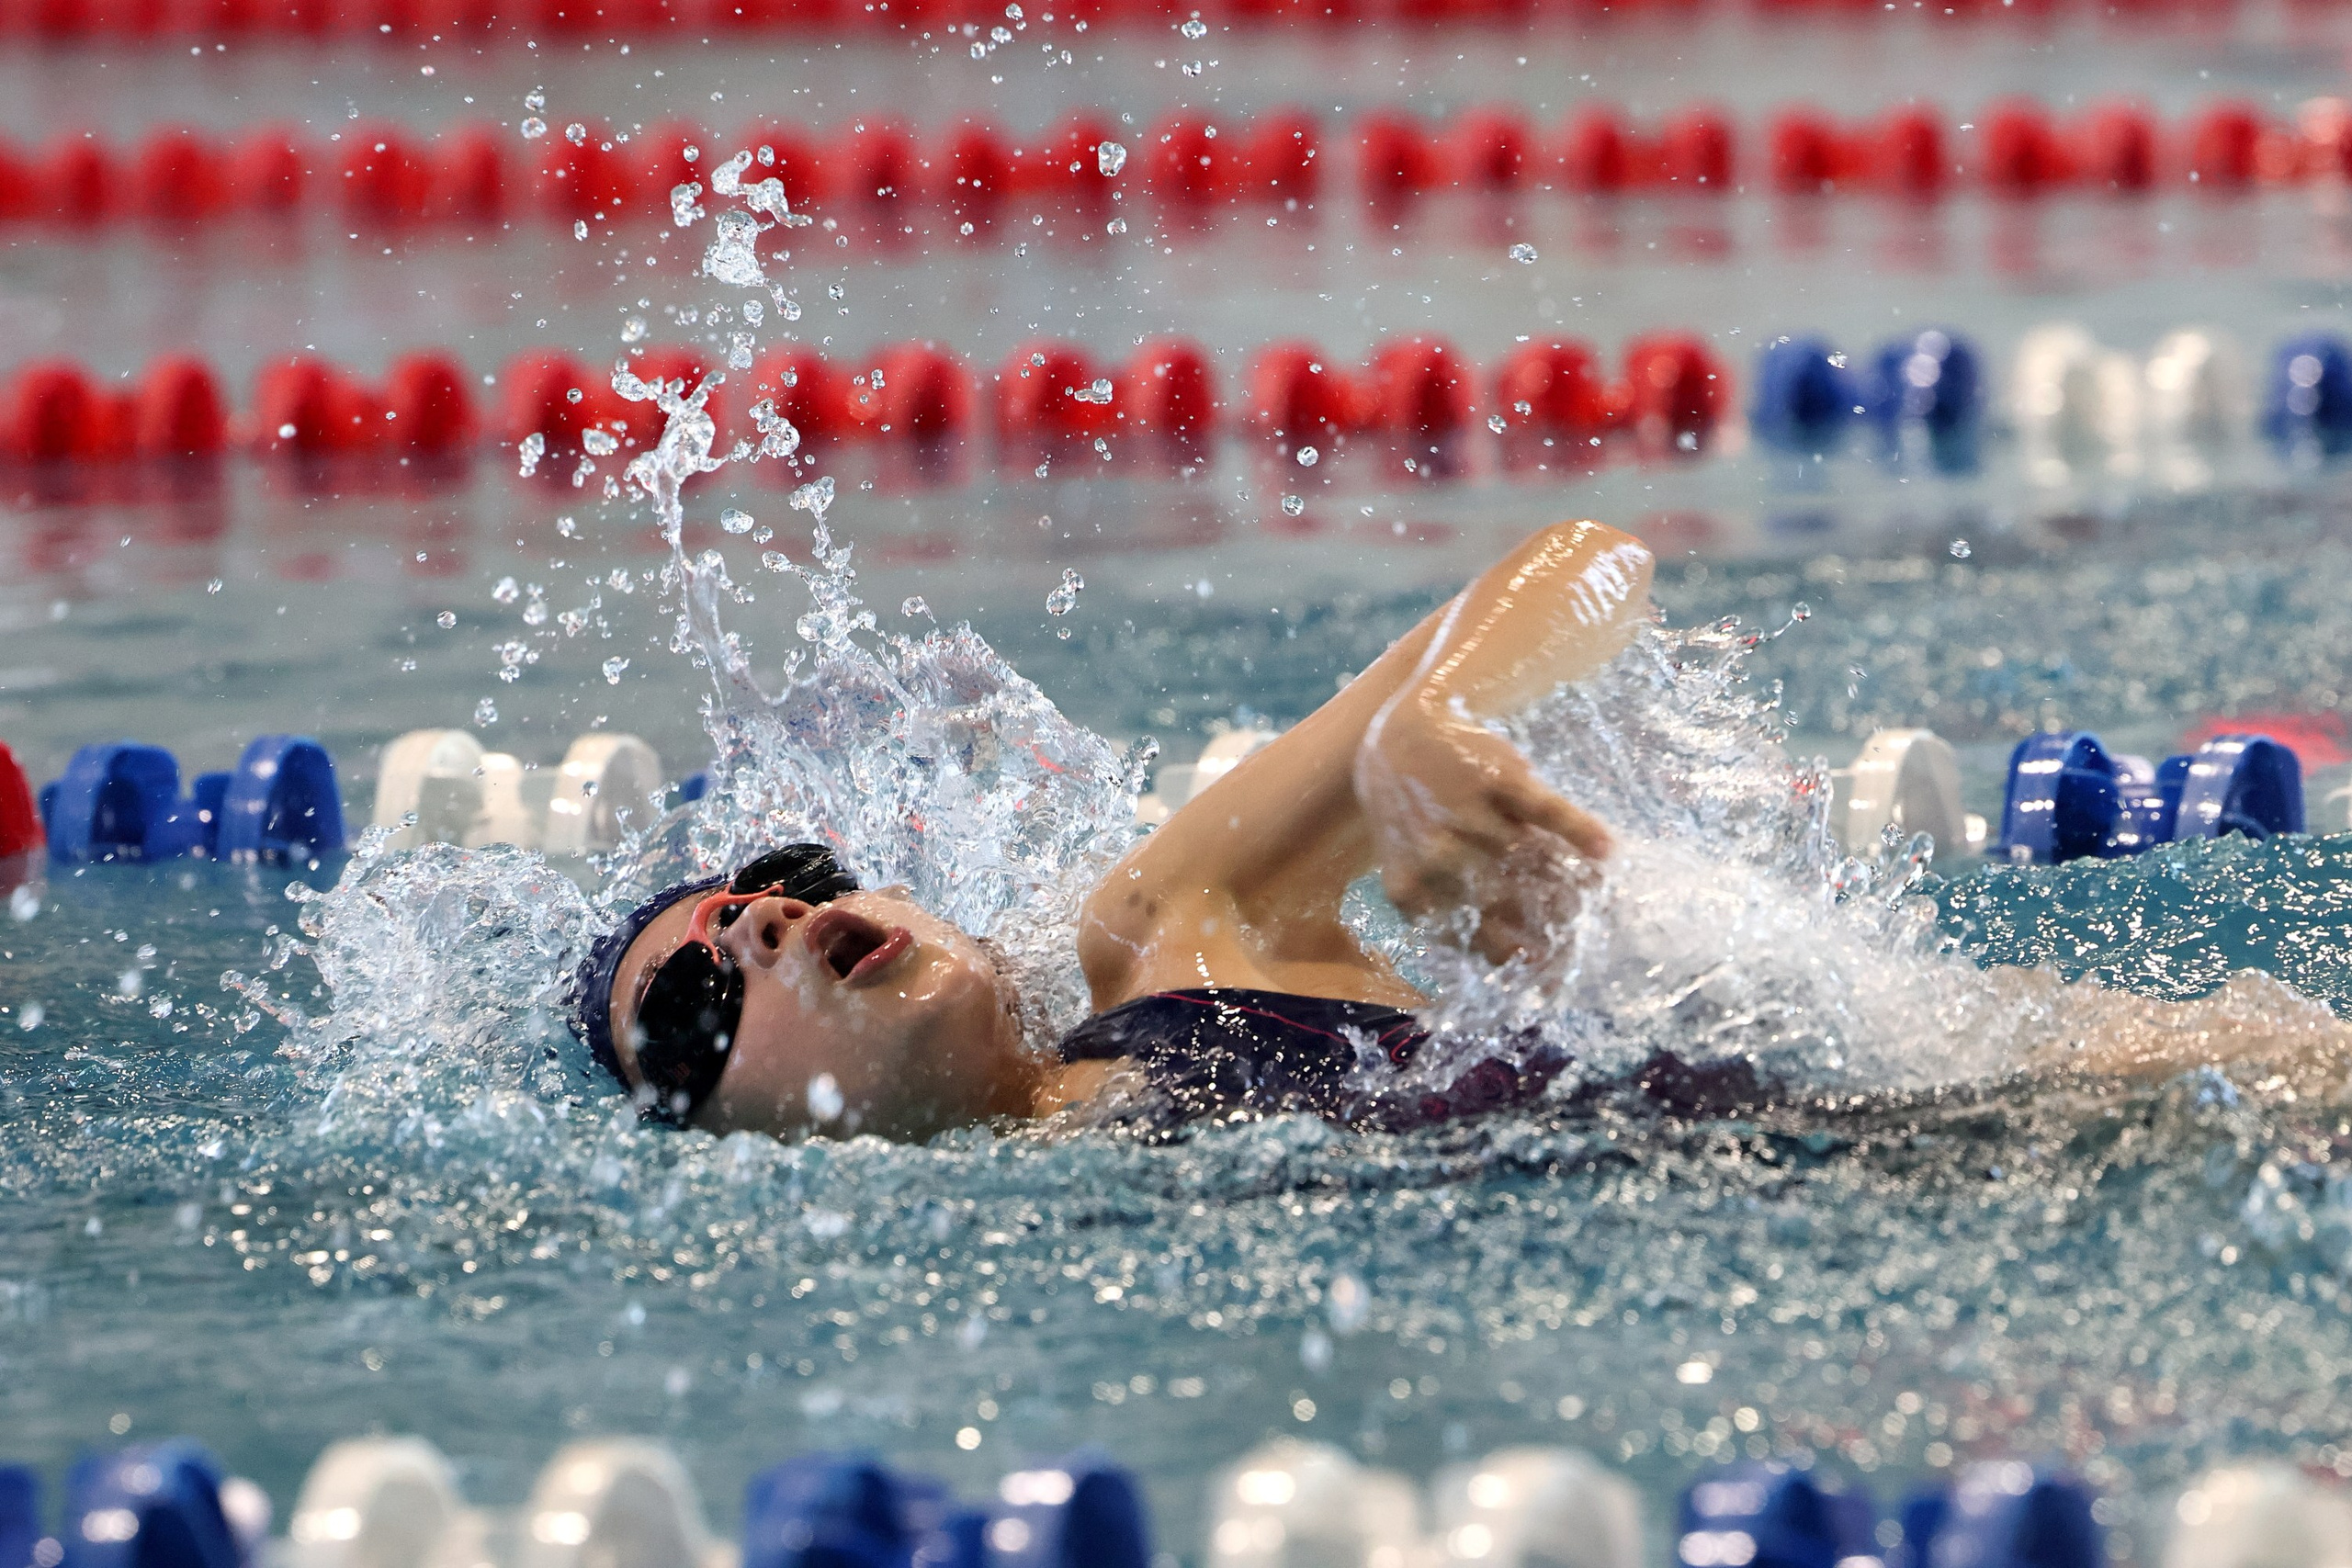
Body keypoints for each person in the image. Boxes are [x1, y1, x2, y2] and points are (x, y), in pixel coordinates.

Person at [569, 518, 2340, 1140]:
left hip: (2139, 1097)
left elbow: (1598, 559)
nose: (765, 923)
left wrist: (1438, 721)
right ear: (726, 1147)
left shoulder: (1170, 937)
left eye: (777, 888)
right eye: (702, 1001)